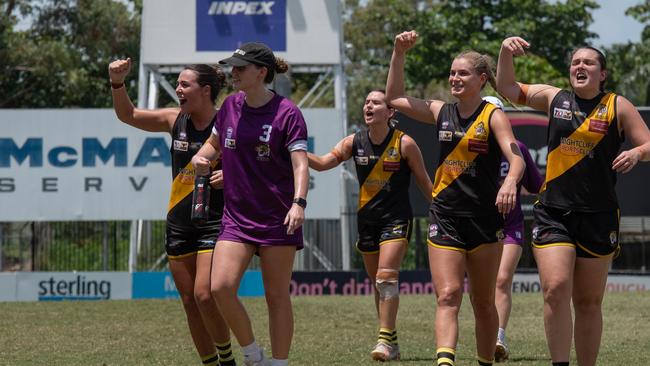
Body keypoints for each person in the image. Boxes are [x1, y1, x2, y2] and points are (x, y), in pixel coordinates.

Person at [496, 37, 650, 366]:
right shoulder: (555, 98)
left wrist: (637, 152)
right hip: (553, 213)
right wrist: (505, 53)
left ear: (603, 74)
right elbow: (507, 87)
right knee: (555, 288)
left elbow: (648, 144)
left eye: (588, 63)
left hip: (600, 216)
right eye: (575, 63)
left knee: (589, 302)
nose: (579, 67)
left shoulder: (617, 106)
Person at [386, 31, 525, 366]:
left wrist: (509, 182)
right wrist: (398, 54)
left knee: (483, 303)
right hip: (445, 216)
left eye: (462, 73)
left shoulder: (493, 116)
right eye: (452, 73)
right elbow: (394, 97)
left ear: (481, 79)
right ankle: (445, 361)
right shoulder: (440, 111)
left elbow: (517, 157)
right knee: (448, 295)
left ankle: (484, 360)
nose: (454, 78)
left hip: (484, 220)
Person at [108, 59, 235, 366]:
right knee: (190, 302)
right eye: (178, 84)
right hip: (179, 224)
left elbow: (253, 168)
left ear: (205, 91)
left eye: (184, 84)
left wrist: (229, 176)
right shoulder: (173, 119)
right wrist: (117, 83)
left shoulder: (229, 125)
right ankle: (210, 364)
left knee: (205, 295)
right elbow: (129, 115)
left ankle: (228, 361)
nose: (178, 90)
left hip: (214, 222)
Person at [191, 42, 308, 366]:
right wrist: (203, 158)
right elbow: (213, 146)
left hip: (278, 218)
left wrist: (298, 203)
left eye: (240, 68)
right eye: (232, 67)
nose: (233, 73)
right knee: (220, 288)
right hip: (237, 218)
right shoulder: (229, 106)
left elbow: (300, 164)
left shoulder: (288, 113)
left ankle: (279, 362)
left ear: (261, 72)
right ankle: (253, 354)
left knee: (276, 297)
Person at [308, 89, 433, 362]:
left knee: (386, 279)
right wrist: (295, 149)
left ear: (390, 113)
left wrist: (441, 209)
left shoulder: (405, 143)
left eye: (375, 102)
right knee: (379, 285)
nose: (368, 105)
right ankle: (392, 341)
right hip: (367, 221)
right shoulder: (354, 142)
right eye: (366, 102)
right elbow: (322, 163)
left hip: (397, 220)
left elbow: (425, 182)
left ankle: (383, 342)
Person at [482, 97, 544, 362]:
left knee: (501, 279)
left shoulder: (517, 148)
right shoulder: (467, 147)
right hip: (477, 225)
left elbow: (535, 184)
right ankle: (483, 336)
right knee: (482, 288)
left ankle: (498, 337)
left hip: (510, 225)